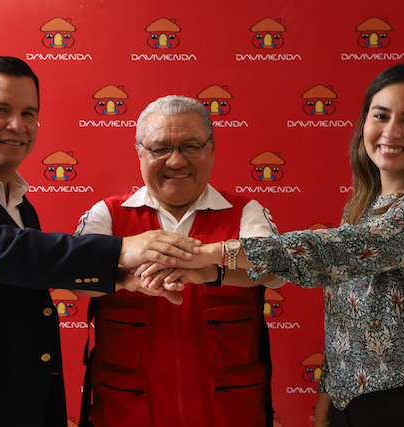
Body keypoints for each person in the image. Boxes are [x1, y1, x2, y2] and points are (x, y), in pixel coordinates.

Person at [0, 56, 199, 427]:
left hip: (14, 402)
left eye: (29, 113)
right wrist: (122, 249)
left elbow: (21, 272)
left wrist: (122, 278)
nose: (19, 126)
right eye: (1, 110)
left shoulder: (17, 201)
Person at [150, 64, 404, 427]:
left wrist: (212, 251)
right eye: (380, 115)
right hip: (349, 404)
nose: (391, 131)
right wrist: (207, 272)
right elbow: (345, 322)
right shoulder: (361, 208)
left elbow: (340, 249)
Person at [74, 95, 284, 427]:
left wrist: (210, 268)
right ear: (140, 154)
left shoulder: (245, 212)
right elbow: (74, 279)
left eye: (190, 146)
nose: (176, 161)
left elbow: (276, 269)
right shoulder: (108, 214)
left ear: (211, 151)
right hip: (126, 412)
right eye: (160, 149)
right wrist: (127, 267)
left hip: (229, 412)